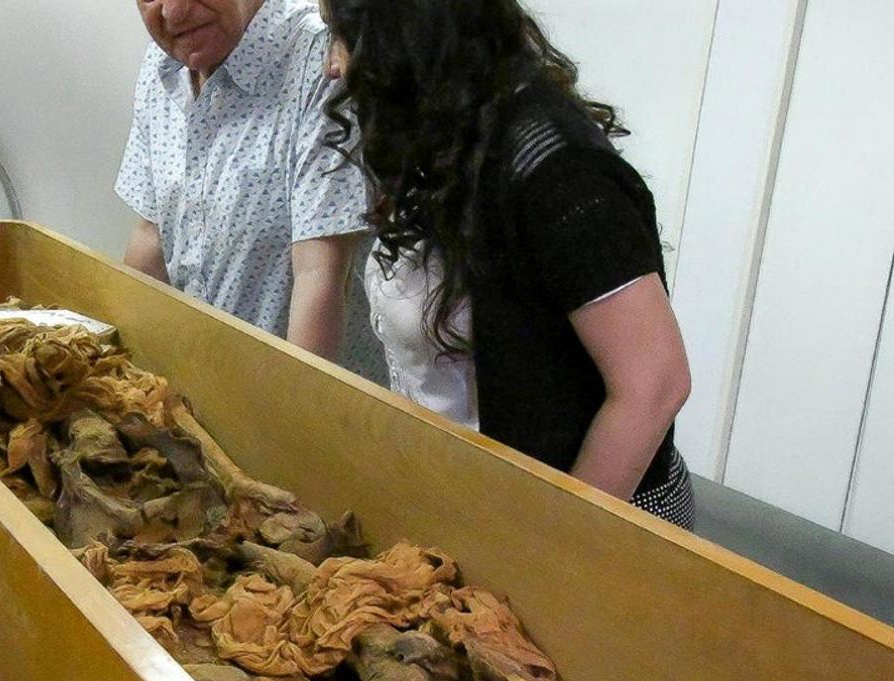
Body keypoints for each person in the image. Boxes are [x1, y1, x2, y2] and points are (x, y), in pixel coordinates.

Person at [320, 0, 696, 528]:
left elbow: (654, 382)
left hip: (599, 523)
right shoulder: (451, 134)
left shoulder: (559, 169)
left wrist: (549, 548)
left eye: (347, 37)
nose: (334, 64)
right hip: (478, 501)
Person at [115, 0, 384, 380]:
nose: (172, 13)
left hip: (301, 399)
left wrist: (283, 424)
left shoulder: (320, 62)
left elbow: (320, 276)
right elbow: (151, 236)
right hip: (202, 384)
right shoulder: (164, 69)